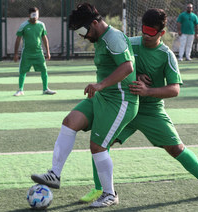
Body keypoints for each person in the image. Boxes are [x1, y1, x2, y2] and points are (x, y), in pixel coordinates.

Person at [79, 8, 198, 203]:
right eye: (144, 30)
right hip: (123, 106)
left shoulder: (166, 55)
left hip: (151, 111)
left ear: (162, 33)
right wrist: (133, 76)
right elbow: (117, 64)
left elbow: (175, 90)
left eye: (152, 32)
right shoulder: (129, 43)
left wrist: (148, 91)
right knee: (100, 144)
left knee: (176, 148)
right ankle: (100, 189)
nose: (146, 36)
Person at [30, 3, 139, 208]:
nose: (83, 36)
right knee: (70, 121)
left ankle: (109, 194)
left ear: (95, 23)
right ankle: (54, 174)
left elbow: (127, 66)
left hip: (121, 101)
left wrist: (100, 84)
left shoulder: (113, 37)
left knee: (98, 147)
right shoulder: (100, 37)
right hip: (103, 97)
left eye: (83, 31)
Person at [13, 7, 56, 96]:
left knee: (44, 69)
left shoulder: (41, 25)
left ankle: (45, 89)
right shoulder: (23, 25)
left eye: (36, 14)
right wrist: (16, 53)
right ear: (29, 16)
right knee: (22, 71)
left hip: (38, 53)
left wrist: (48, 52)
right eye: (33, 15)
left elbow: (44, 38)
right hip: (27, 53)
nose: (35, 17)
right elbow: (18, 39)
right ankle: (20, 90)